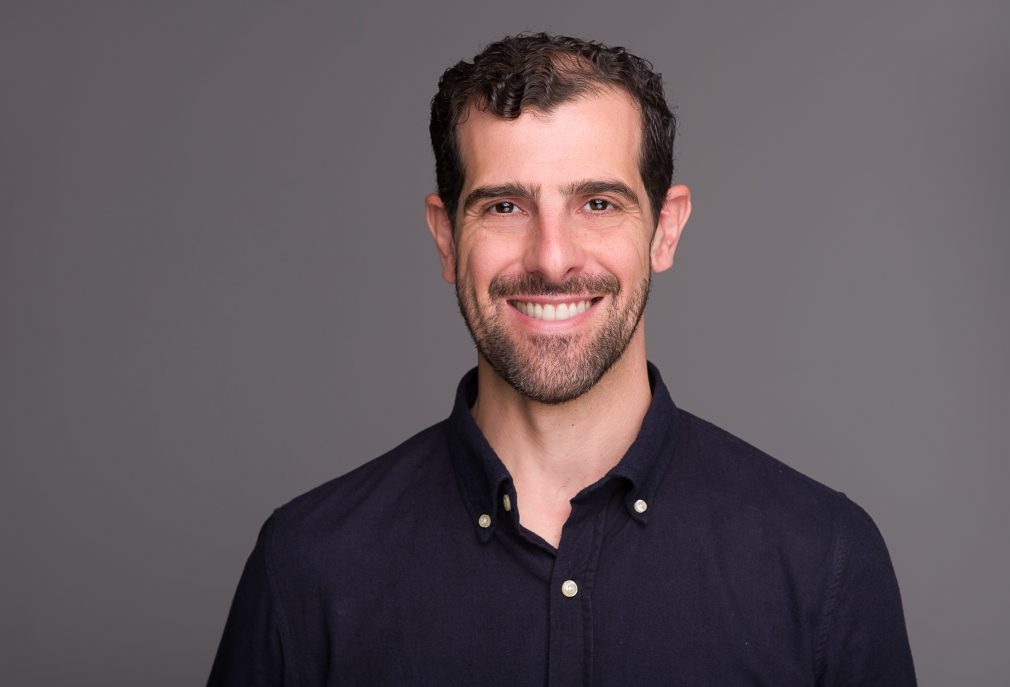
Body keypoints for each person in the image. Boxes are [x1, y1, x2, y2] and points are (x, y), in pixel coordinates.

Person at [208, 33, 916, 686]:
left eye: (599, 203)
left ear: (665, 230)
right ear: (446, 237)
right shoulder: (307, 566)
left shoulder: (824, 559)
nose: (552, 257)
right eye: (505, 207)